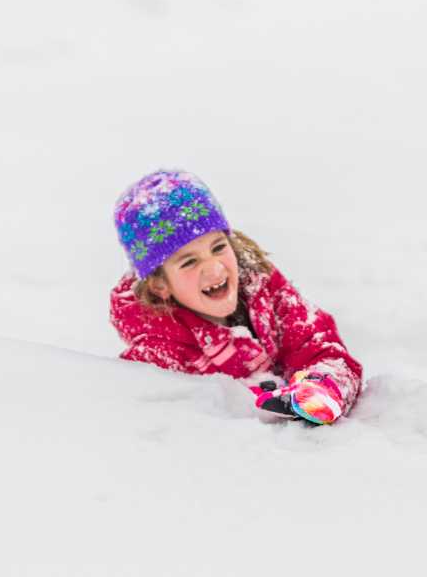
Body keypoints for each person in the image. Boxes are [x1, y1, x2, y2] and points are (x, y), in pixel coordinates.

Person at [109, 170, 362, 424]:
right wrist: (252, 404)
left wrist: (321, 389)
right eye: (189, 262)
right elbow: (168, 417)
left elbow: (318, 346)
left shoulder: (263, 288)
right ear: (160, 285)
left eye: (218, 248)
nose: (214, 268)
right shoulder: (157, 352)